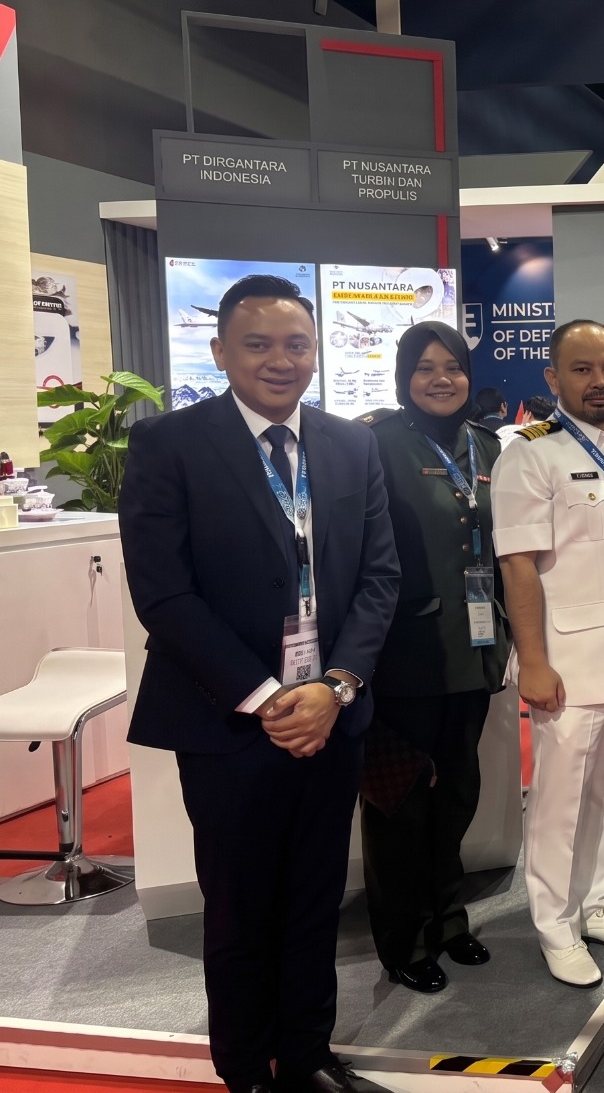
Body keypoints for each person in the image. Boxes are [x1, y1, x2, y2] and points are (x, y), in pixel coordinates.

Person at [120, 275, 400, 1093]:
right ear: (219, 352)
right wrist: (268, 695)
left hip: (331, 714)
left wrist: (335, 686)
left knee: (317, 894)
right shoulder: (169, 444)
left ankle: (307, 1055)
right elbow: (163, 594)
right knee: (240, 903)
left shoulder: (351, 444)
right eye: (258, 344)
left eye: (297, 344)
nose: (281, 360)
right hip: (229, 721)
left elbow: (379, 576)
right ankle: (245, 1068)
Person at [491, 320, 604, 988]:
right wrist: (533, 661)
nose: (600, 382)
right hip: (567, 660)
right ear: (553, 378)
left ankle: (595, 902)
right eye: (582, 369)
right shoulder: (529, 453)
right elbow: (518, 566)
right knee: (562, 801)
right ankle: (555, 924)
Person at [358, 324, 509, 995]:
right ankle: (403, 937)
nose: (442, 379)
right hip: (404, 654)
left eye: (453, 366)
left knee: (457, 793)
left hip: (473, 649)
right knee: (400, 801)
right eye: (425, 368)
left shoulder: (488, 444)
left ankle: (448, 918)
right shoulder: (374, 442)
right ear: (403, 377)